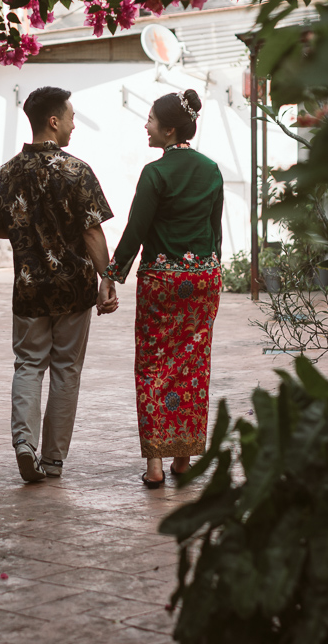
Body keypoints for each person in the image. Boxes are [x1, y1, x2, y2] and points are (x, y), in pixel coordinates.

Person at [0, 86, 118, 483]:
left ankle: (24, 444)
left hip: (28, 289)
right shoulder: (77, 171)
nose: (74, 126)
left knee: (28, 365)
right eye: (71, 118)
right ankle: (53, 460)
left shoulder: (6, 172)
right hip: (74, 289)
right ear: (54, 121)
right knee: (66, 370)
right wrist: (107, 280)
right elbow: (92, 234)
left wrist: (30, 232)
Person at [102, 89, 223, 489]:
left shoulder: (154, 173)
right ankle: (183, 460)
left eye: (151, 120)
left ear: (169, 130)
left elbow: (135, 232)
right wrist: (208, 267)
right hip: (203, 279)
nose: (146, 126)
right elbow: (215, 230)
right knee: (191, 367)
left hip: (162, 282)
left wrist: (111, 276)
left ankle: (155, 467)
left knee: (154, 367)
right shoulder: (212, 169)